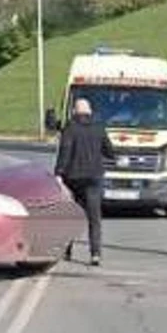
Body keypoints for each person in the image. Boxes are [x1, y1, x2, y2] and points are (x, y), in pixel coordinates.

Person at [53, 97, 116, 266]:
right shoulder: (99, 128)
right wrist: (109, 158)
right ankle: (95, 254)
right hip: (94, 178)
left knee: (71, 216)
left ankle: (67, 250)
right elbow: (110, 151)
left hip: (73, 179)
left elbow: (64, 152)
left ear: (74, 111)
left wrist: (59, 173)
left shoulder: (70, 128)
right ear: (90, 111)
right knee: (94, 218)